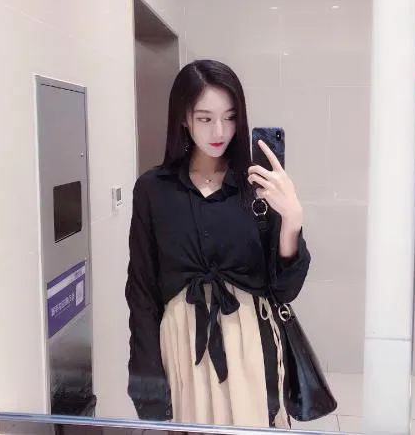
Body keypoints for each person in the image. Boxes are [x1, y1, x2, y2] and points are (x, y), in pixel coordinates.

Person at [125, 59, 311, 429]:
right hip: (182, 343)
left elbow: (285, 290)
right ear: (184, 118)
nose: (219, 131)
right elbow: (141, 290)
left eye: (230, 117)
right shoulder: (153, 190)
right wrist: (146, 375)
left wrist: (291, 219)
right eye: (205, 118)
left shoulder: (257, 186)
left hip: (250, 340)